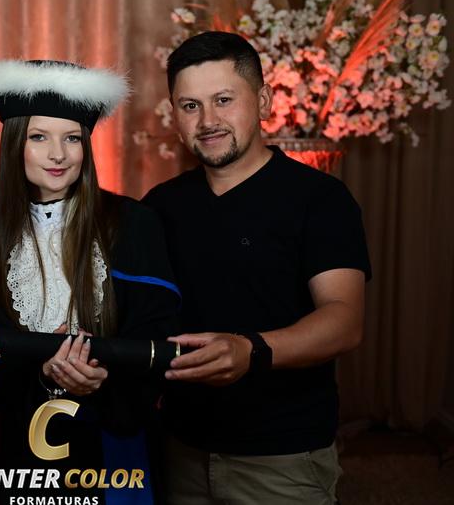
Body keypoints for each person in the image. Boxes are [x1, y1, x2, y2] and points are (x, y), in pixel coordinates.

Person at [143, 31, 372, 504]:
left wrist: (252, 350)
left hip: (283, 457)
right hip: (179, 448)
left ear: (263, 101)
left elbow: (344, 320)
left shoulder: (320, 199)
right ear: (175, 116)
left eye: (224, 100)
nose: (208, 120)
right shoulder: (159, 207)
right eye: (190, 106)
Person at [0, 59, 181, 504]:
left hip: (115, 447)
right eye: (39, 137)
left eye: (72, 138)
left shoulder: (132, 224)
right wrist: (44, 371)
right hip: (25, 451)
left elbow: (159, 333)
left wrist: (102, 375)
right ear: (14, 145)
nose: (58, 154)